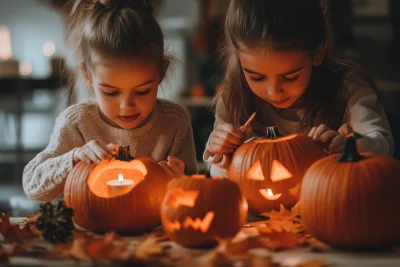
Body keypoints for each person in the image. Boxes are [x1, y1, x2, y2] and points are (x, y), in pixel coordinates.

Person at [23, 0, 197, 201]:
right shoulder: (77, 123)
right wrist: (73, 158)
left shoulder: (174, 122)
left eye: (142, 91)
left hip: (155, 230)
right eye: (111, 92)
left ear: (161, 72)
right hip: (89, 230)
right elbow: (33, 186)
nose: (126, 106)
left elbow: (193, 194)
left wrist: (181, 181)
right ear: (87, 75)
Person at [204, 0, 394, 177]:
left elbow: (384, 145)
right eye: (257, 77)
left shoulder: (347, 88)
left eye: (289, 77)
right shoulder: (235, 97)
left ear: (318, 53)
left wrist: (352, 146)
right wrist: (223, 155)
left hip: (333, 206)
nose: (274, 91)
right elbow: (218, 179)